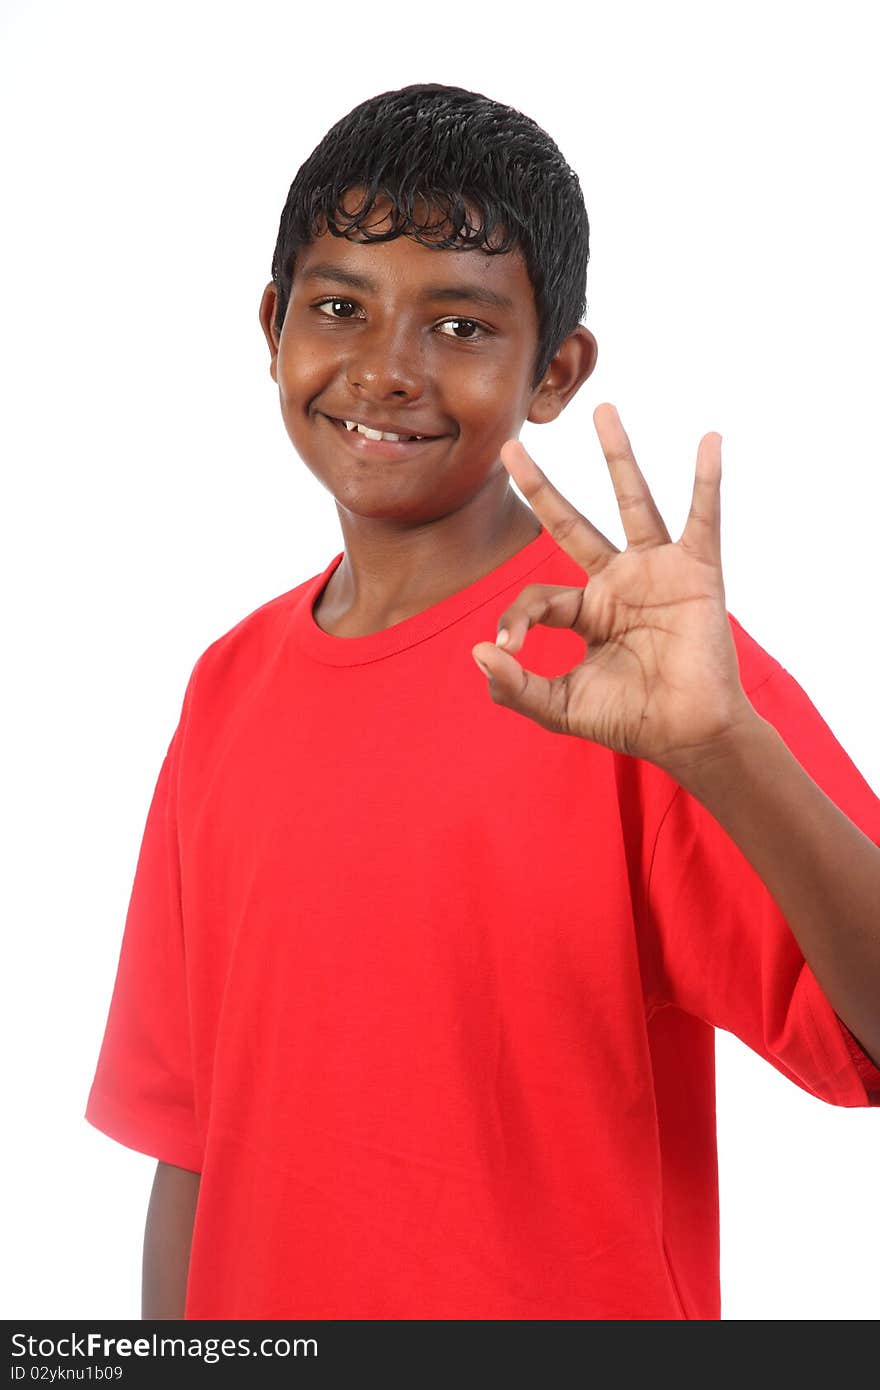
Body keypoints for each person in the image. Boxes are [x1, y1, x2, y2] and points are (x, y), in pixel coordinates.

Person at [84, 82, 880, 1321]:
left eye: (459, 327)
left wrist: (724, 748)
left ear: (553, 370)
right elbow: (192, 1136)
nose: (387, 370)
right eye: (341, 307)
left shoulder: (644, 669)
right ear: (272, 325)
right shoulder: (226, 686)